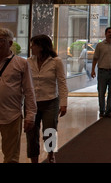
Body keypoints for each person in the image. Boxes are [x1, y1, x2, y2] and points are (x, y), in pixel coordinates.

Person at [0, 28, 36, 163]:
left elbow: (29, 90)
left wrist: (30, 115)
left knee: (11, 157)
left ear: (10, 43)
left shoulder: (21, 63)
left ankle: (51, 154)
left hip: (12, 116)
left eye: (1, 41)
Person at [27, 34, 68, 163]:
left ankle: (50, 155)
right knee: (31, 133)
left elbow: (62, 82)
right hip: (32, 103)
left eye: (33, 44)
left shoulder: (56, 62)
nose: (31, 47)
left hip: (50, 101)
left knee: (49, 131)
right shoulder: (28, 62)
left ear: (42, 46)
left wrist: (64, 103)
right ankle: (34, 160)